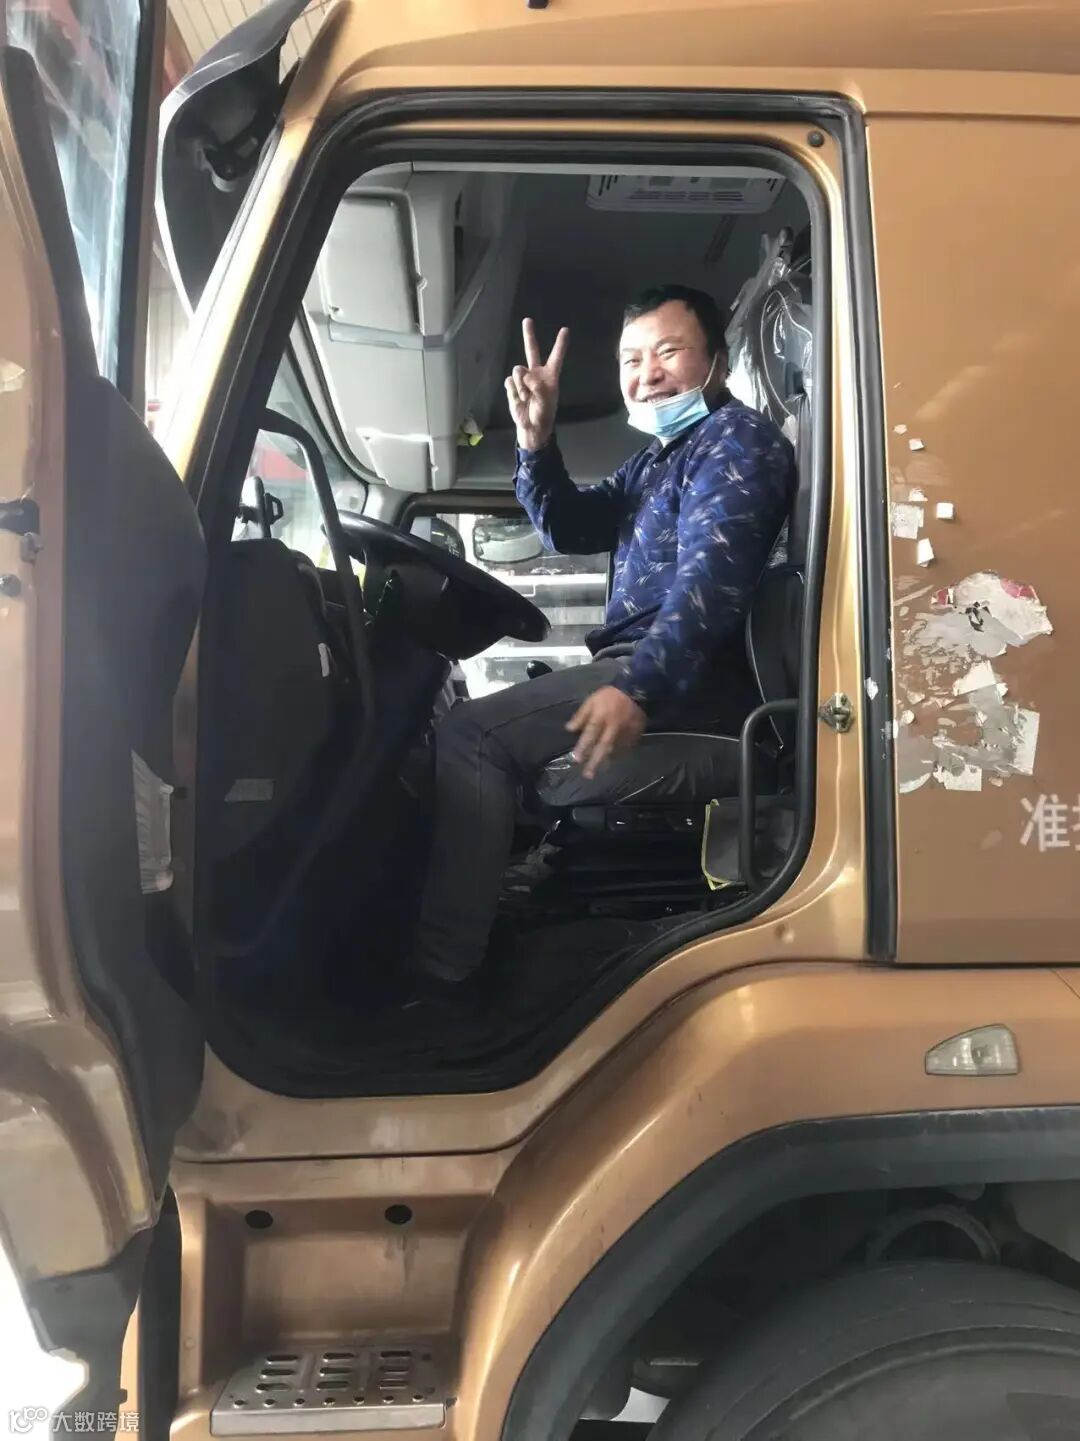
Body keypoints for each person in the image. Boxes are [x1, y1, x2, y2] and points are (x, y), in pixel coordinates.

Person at [412, 284, 795, 993]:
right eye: (631, 359)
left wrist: (636, 687)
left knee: (471, 735)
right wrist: (535, 442)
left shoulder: (736, 443)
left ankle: (443, 977)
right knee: (494, 748)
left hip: (693, 684)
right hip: (647, 667)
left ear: (716, 362)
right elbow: (570, 527)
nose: (647, 374)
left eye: (668, 352)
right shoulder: (657, 460)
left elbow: (710, 587)